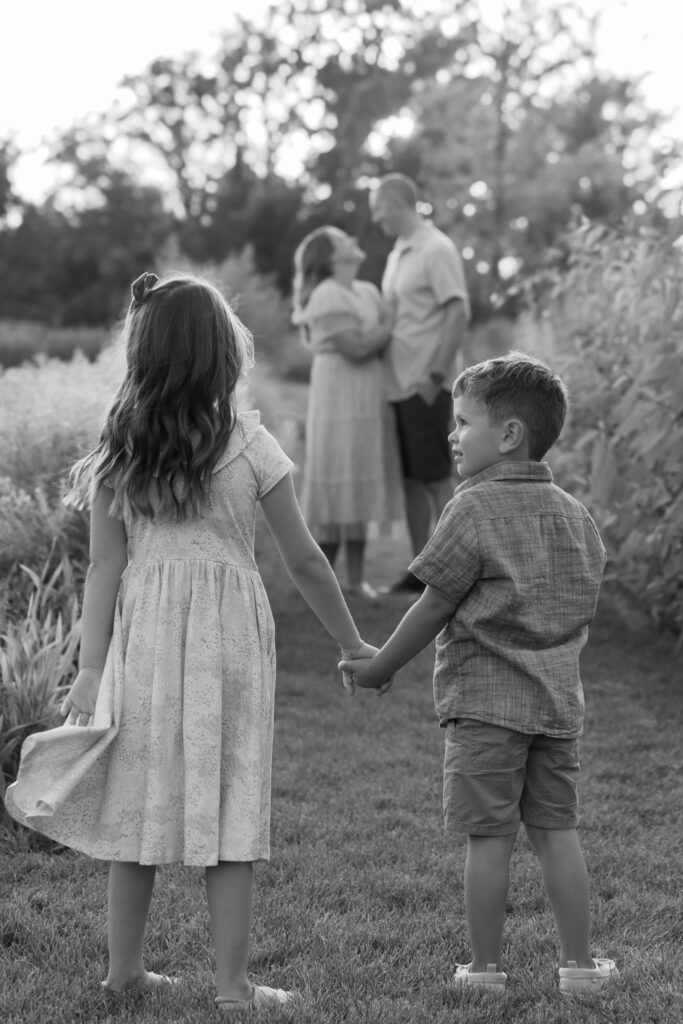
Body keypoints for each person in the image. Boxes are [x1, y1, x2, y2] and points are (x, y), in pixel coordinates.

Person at [6, 271, 377, 1014]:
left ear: (143, 354)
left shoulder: (119, 447)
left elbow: (105, 569)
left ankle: (123, 974)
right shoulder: (248, 442)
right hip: (229, 638)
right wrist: (352, 643)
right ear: (222, 356)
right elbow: (304, 559)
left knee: (135, 806)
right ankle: (234, 989)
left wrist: (90, 669)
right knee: (232, 800)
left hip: (144, 640)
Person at [340, 352, 618, 997]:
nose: (451, 435)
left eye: (462, 422)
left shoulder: (471, 509)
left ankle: (485, 972)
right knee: (557, 834)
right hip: (556, 707)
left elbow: (434, 602)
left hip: (487, 710)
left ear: (510, 434)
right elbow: (582, 601)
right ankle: (580, 968)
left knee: (488, 839)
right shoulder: (577, 517)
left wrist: (379, 666)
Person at [370, 173, 470, 593]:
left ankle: (459, 570)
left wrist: (434, 376)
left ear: (397, 203)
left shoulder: (437, 248)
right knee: (411, 479)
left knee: (434, 478)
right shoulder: (398, 254)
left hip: (426, 384)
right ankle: (422, 572)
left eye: (378, 208)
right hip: (398, 385)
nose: (376, 218)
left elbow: (457, 313)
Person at [293, 226, 404, 601]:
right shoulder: (326, 294)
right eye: (344, 239)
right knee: (336, 470)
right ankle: (322, 583)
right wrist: (390, 325)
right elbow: (356, 348)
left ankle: (355, 581)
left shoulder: (368, 291)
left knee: (357, 473)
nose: (353, 240)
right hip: (337, 390)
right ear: (329, 256)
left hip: (368, 393)